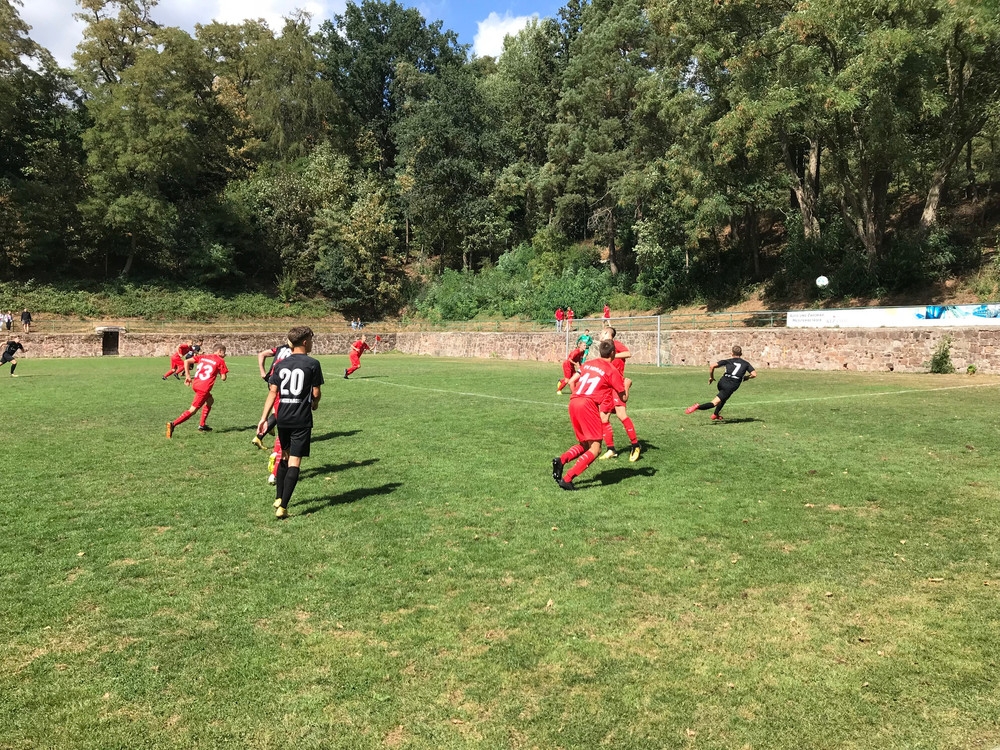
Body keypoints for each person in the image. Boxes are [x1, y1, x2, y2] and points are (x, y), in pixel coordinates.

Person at [258, 326, 324, 519]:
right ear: (304, 342)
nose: (312, 343)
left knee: (284, 457)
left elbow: (273, 393)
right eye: (311, 340)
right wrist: (315, 403)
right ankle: (283, 507)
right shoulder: (313, 363)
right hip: (301, 418)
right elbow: (316, 393)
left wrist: (263, 418)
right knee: (294, 461)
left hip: (282, 417)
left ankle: (278, 497)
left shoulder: (280, 364)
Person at [552, 339, 629, 491]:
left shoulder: (588, 364)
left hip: (574, 401)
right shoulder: (612, 370)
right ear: (613, 353)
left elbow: (572, 381)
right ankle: (567, 479)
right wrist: (627, 385)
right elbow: (623, 398)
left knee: (584, 444)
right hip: (587, 405)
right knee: (596, 449)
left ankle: (561, 460)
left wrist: (578, 396)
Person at [598, 327, 641, 462]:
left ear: (607, 333)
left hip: (617, 384)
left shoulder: (615, 344)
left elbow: (628, 353)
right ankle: (611, 449)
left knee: (621, 415)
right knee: (603, 418)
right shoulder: (604, 347)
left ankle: (635, 445)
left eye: (601, 332)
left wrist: (612, 355)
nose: (600, 335)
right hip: (606, 386)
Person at [165, 345, 228, 437]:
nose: (224, 354)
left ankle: (202, 425)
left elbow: (186, 361)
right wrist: (219, 370)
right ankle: (173, 424)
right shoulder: (220, 360)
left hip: (196, 384)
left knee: (210, 401)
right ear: (219, 351)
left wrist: (187, 376)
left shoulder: (203, 356)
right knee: (193, 410)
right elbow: (223, 378)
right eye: (224, 352)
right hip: (204, 388)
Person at [685, 345, 757, 421]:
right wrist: (747, 377)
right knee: (714, 403)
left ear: (732, 353)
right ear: (741, 354)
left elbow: (712, 366)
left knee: (724, 398)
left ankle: (715, 414)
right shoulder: (746, 363)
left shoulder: (727, 361)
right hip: (730, 385)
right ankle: (697, 407)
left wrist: (711, 377)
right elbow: (754, 374)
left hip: (721, 382)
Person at [252, 341, 293, 449]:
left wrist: (263, 373)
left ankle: (270, 428)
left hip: (272, 379)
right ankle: (259, 437)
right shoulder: (296, 350)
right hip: (282, 382)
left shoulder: (280, 348)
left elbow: (261, 354)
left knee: (276, 409)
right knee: (279, 411)